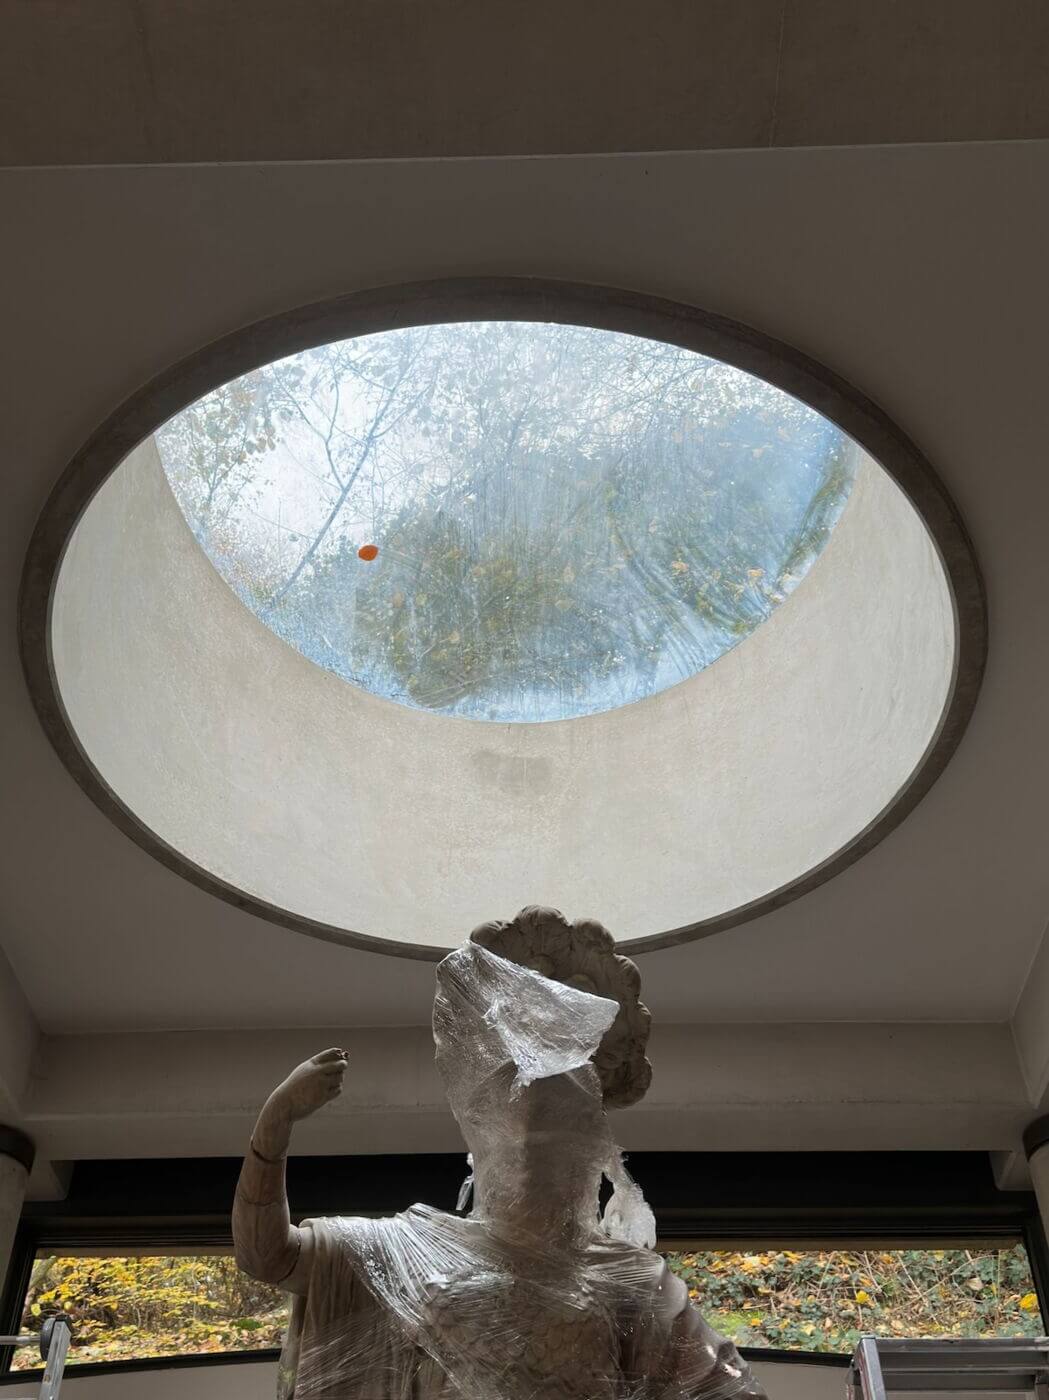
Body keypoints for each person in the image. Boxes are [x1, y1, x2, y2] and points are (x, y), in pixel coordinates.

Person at [233, 906, 767, 1400]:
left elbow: (731, 1392)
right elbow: (269, 1255)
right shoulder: (407, 1254)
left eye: (560, 1123)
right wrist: (276, 1122)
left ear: (593, 1149)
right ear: (481, 1136)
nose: (533, 1134)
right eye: (517, 1121)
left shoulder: (632, 1284)